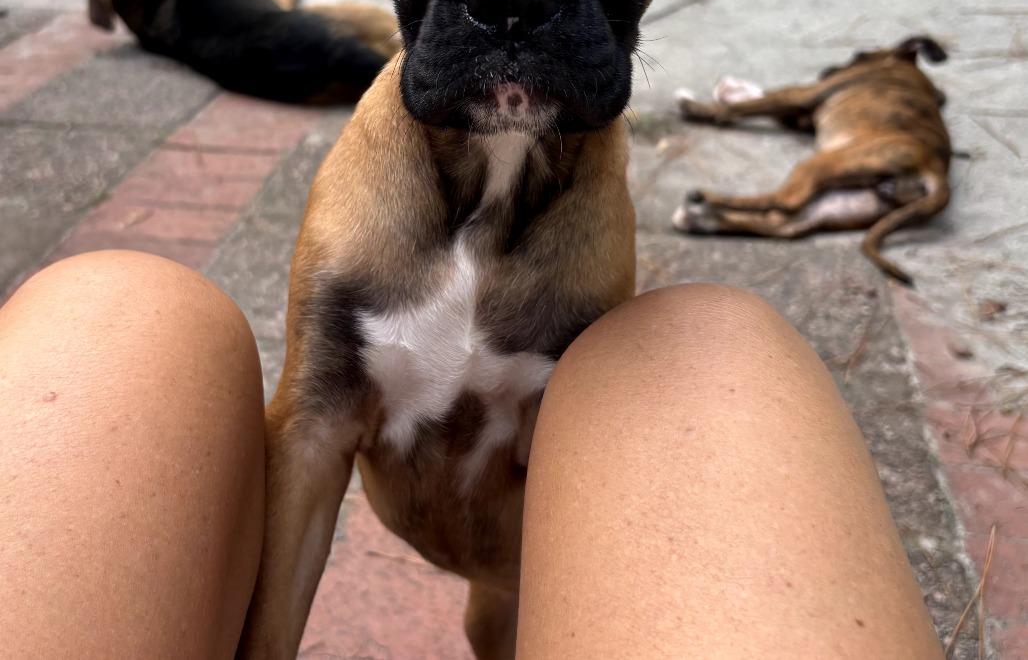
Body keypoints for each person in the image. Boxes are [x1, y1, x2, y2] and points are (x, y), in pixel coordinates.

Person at [0, 251, 943, 658]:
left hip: (510, 566)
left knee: (118, 304)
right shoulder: (363, 204)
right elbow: (314, 430)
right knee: (710, 345)